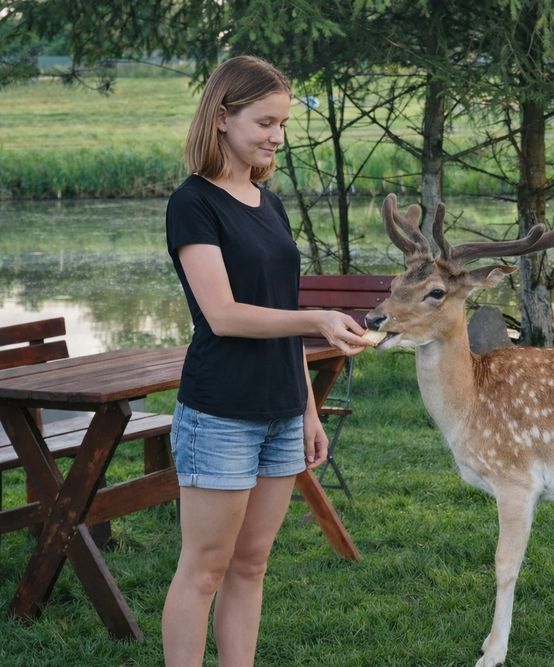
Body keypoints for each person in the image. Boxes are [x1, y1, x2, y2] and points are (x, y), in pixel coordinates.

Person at [162, 55, 371, 666]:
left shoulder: (268, 203)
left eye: (282, 124)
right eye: (265, 122)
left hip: (282, 410)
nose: (277, 137)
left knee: (251, 565)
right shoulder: (192, 204)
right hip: (221, 412)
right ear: (222, 117)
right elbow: (224, 315)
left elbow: (279, 308)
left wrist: (307, 409)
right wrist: (317, 320)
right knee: (205, 569)